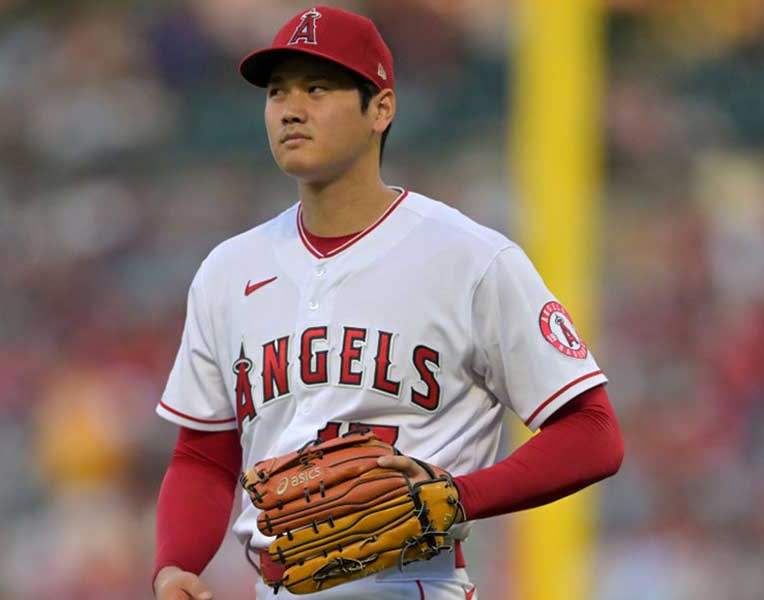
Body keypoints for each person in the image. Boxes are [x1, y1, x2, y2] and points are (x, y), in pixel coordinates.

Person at [152, 6, 624, 600]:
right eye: (277, 92)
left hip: (410, 583)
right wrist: (175, 566)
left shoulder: (471, 259)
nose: (290, 109)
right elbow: (203, 454)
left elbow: (592, 431)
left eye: (317, 88)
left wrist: (460, 495)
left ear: (381, 108)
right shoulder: (228, 270)